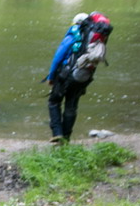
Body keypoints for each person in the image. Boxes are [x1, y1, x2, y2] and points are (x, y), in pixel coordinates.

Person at [45, 11, 112, 144]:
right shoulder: (95, 39)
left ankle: (57, 133)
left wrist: (51, 76)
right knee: (71, 106)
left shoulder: (73, 36)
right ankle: (66, 137)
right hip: (83, 78)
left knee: (54, 102)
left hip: (65, 75)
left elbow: (58, 57)